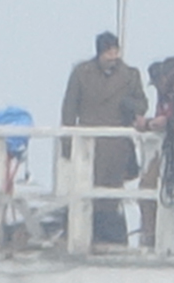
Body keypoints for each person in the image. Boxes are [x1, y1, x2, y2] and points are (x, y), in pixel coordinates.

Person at [60, 31, 148, 248]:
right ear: (99, 52)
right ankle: (84, 233)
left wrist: (130, 106)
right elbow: (69, 109)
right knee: (86, 188)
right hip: (87, 142)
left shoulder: (130, 75)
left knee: (111, 193)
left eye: (115, 51)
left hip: (117, 143)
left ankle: (110, 236)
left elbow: (142, 105)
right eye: (108, 51)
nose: (113, 56)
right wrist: (68, 143)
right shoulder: (81, 73)